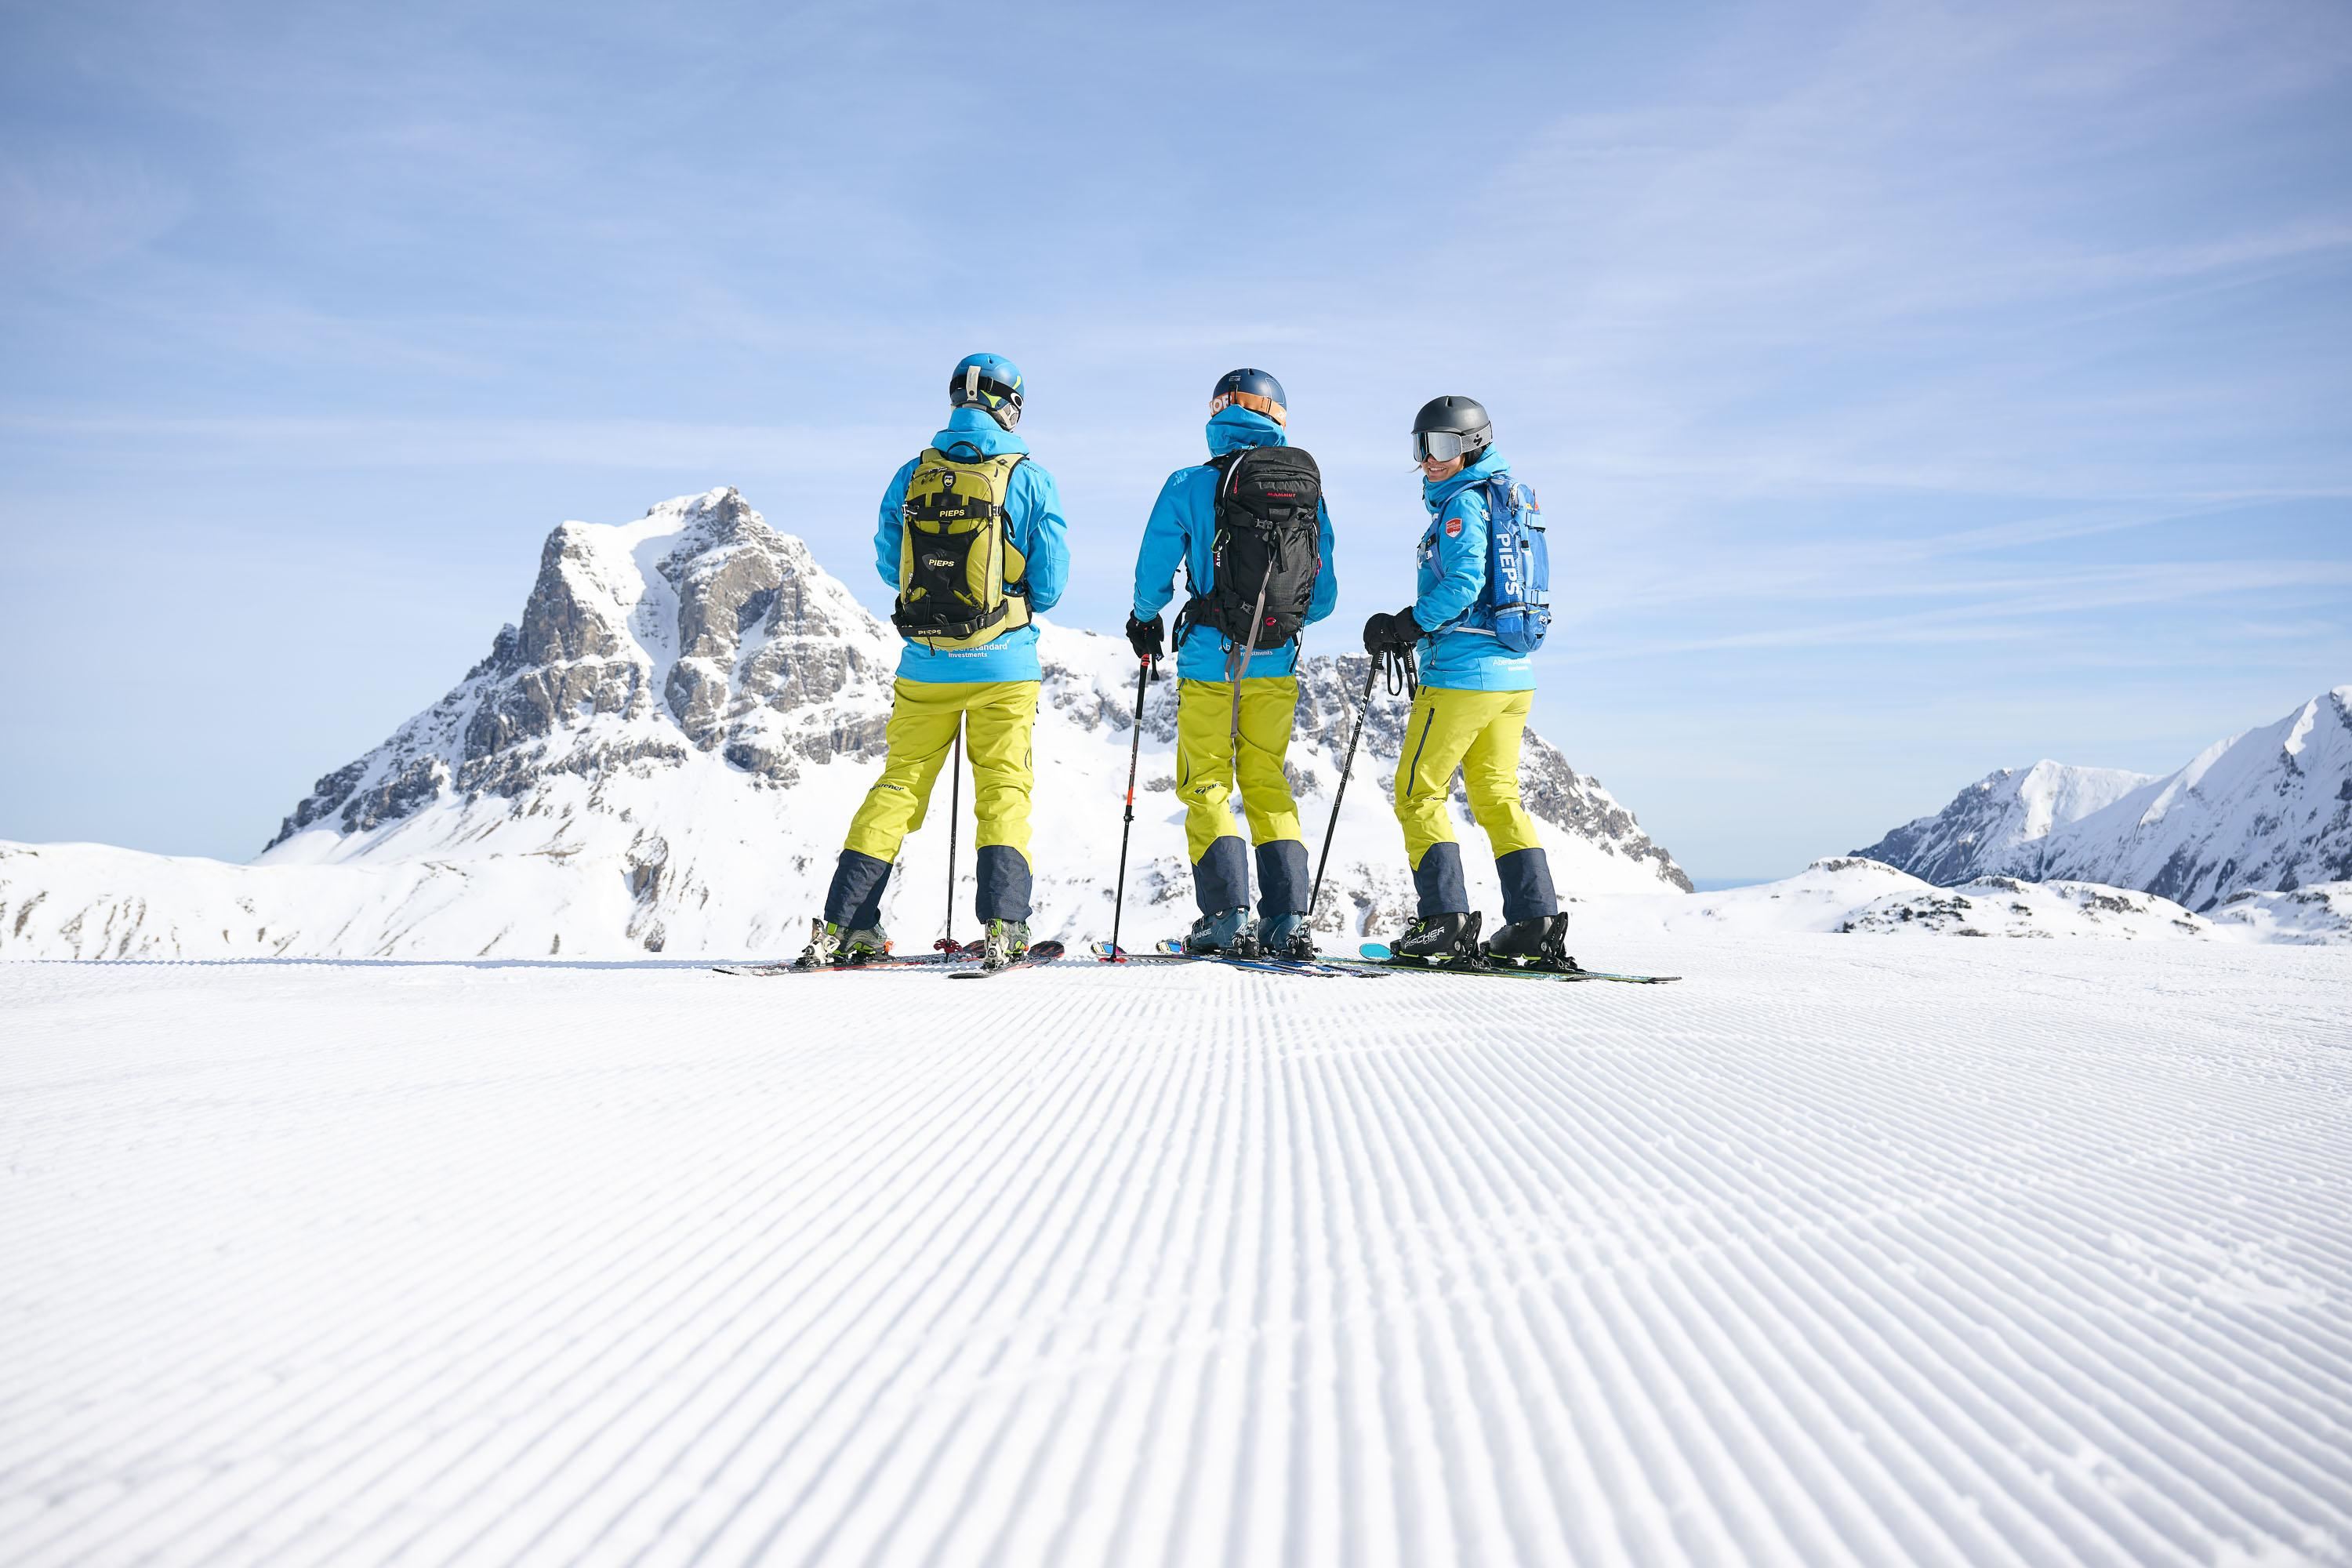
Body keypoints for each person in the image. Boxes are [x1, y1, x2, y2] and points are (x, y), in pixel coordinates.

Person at [803, 353, 1070, 969]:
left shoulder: (911, 475)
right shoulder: (1030, 478)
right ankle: (1005, 926)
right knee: (1003, 788)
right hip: (1005, 666)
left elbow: (887, 562)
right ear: (1011, 407)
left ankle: (845, 925)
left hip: (925, 664)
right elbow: (1051, 587)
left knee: (898, 786)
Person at [1127, 368, 1338, 957]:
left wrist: (1145, 615)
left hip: (1210, 660)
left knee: (1208, 781)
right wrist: (1274, 623)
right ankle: (1288, 919)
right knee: (1269, 782)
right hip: (1276, 662)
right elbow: (1323, 597)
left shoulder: (1189, 482)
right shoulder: (1306, 490)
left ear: (1218, 415)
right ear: (1278, 419)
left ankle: (1226, 915)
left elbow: (1154, 572)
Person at [1361, 395, 1566, 963]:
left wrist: (1407, 623)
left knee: (1416, 792)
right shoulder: (1503, 500)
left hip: (1461, 674)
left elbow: (1464, 585)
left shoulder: (1463, 507)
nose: (1428, 459)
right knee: (1498, 795)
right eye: (1420, 446)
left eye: (1443, 445)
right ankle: (1533, 920)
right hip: (1514, 675)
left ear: (1472, 445)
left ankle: (1443, 921)